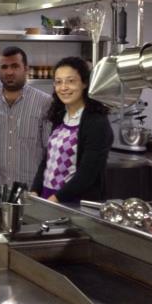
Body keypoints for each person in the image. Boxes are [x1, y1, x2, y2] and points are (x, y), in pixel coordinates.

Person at [32, 57, 113, 203]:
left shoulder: (96, 122)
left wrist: (56, 199)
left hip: (75, 203)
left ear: (84, 83)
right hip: (49, 196)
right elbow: (47, 160)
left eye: (71, 81)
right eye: (58, 82)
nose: (64, 87)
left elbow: (87, 174)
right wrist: (35, 190)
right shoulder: (60, 116)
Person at [0, 46, 52, 190]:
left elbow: (49, 151)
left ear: (26, 69)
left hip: (31, 190)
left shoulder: (44, 102)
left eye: (15, 66)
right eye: (4, 67)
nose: (9, 72)